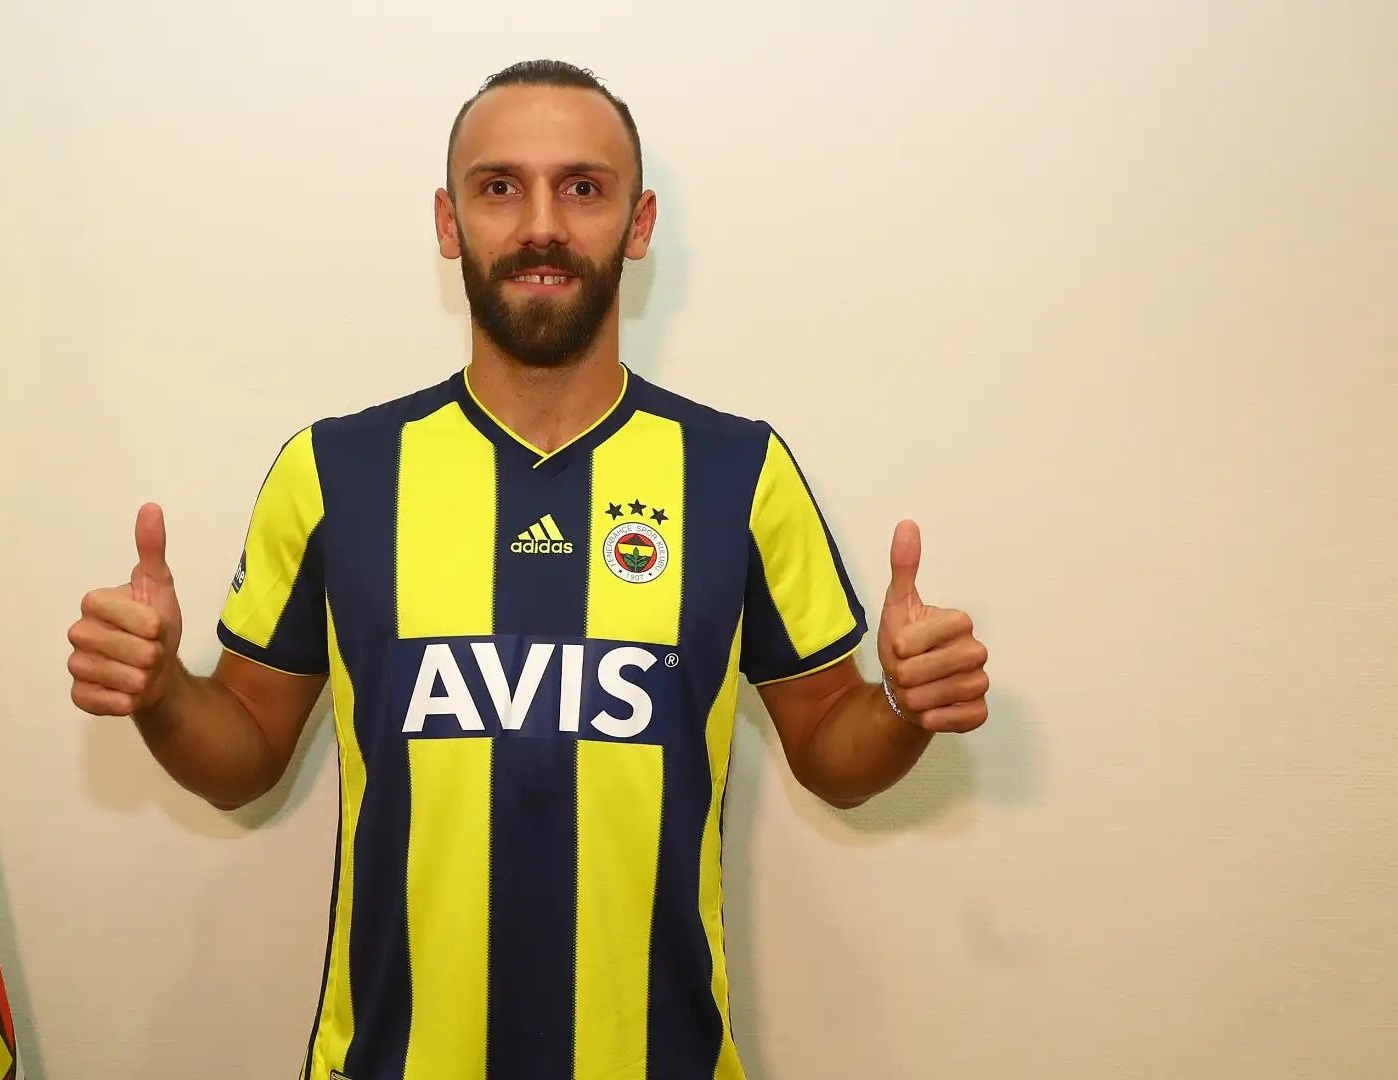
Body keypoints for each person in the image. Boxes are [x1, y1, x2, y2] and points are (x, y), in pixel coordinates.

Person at [67, 58, 991, 1080]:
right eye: (500, 187)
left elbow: (829, 747)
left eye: (582, 188)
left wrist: (904, 708)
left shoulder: (740, 474)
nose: (541, 225)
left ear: (638, 225)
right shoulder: (335, 472)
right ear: (448, 222)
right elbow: (243, 753)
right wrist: (160, 692)